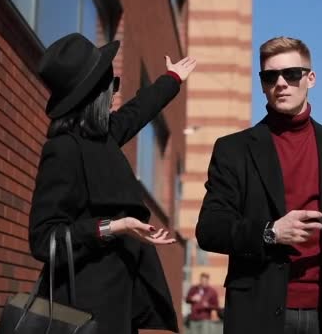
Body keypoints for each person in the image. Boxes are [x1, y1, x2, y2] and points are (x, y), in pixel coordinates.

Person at [195, 36, 322, 334]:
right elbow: (210, 229)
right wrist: (271, 232)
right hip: (258, 310)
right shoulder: (233, 149)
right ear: (262, 84)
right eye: (270, 76)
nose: (281, 83)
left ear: (310, 78)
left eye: (291, 74)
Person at [28, 33, 196, 333]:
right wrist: (113, 227)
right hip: (81, 312)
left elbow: (136, 112)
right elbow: (44, 239)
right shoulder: (64, 149)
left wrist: (171, 79)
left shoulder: (101, 138)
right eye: (113, 86)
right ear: (98, 94)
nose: (115, 94)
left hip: (119, 304)